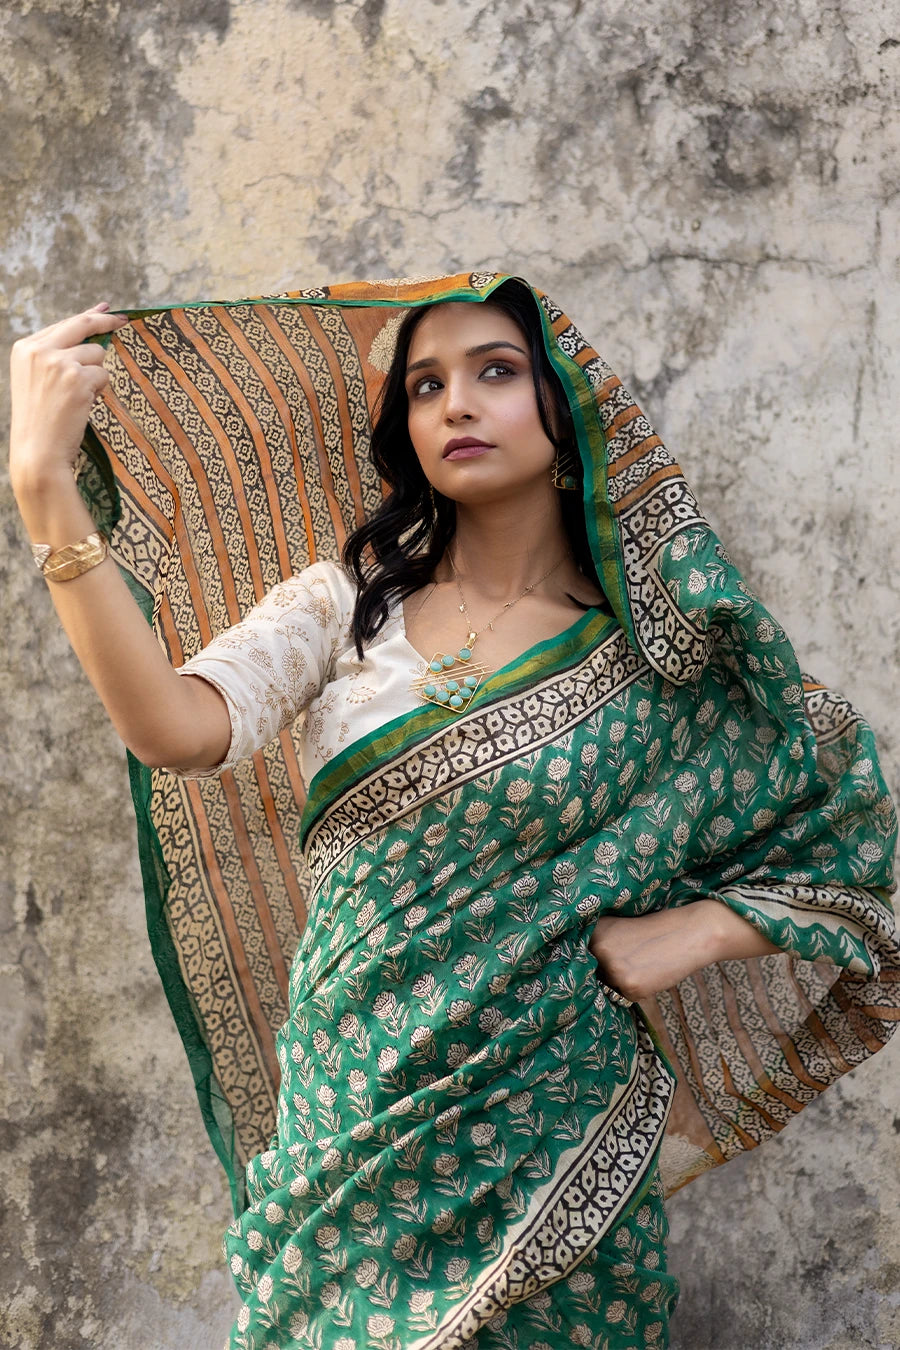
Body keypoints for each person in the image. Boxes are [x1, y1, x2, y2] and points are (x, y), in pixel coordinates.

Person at [10, 273, 899, 1350]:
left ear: (568, 409)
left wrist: (696, 932)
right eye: (426, 386)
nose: (456, 404)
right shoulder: (346, 608)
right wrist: (45, 486)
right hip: (350, 1124)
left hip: (556, 1132)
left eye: (496, 372)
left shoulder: (662, 660)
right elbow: (170, 730)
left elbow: (850, 845)